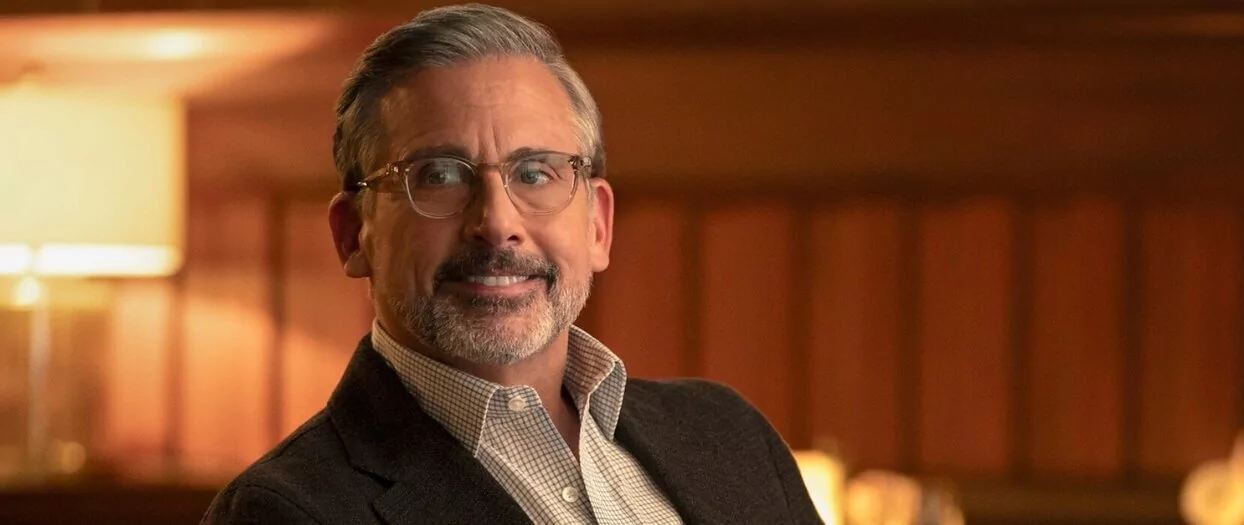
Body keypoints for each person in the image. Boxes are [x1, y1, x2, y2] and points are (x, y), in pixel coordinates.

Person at [201, 4, 820, 523]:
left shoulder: (730, 436)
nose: (497, 223)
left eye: (535, 173)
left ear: (598, 225)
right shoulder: (286, 511)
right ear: (353, 237)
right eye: (438, 176)